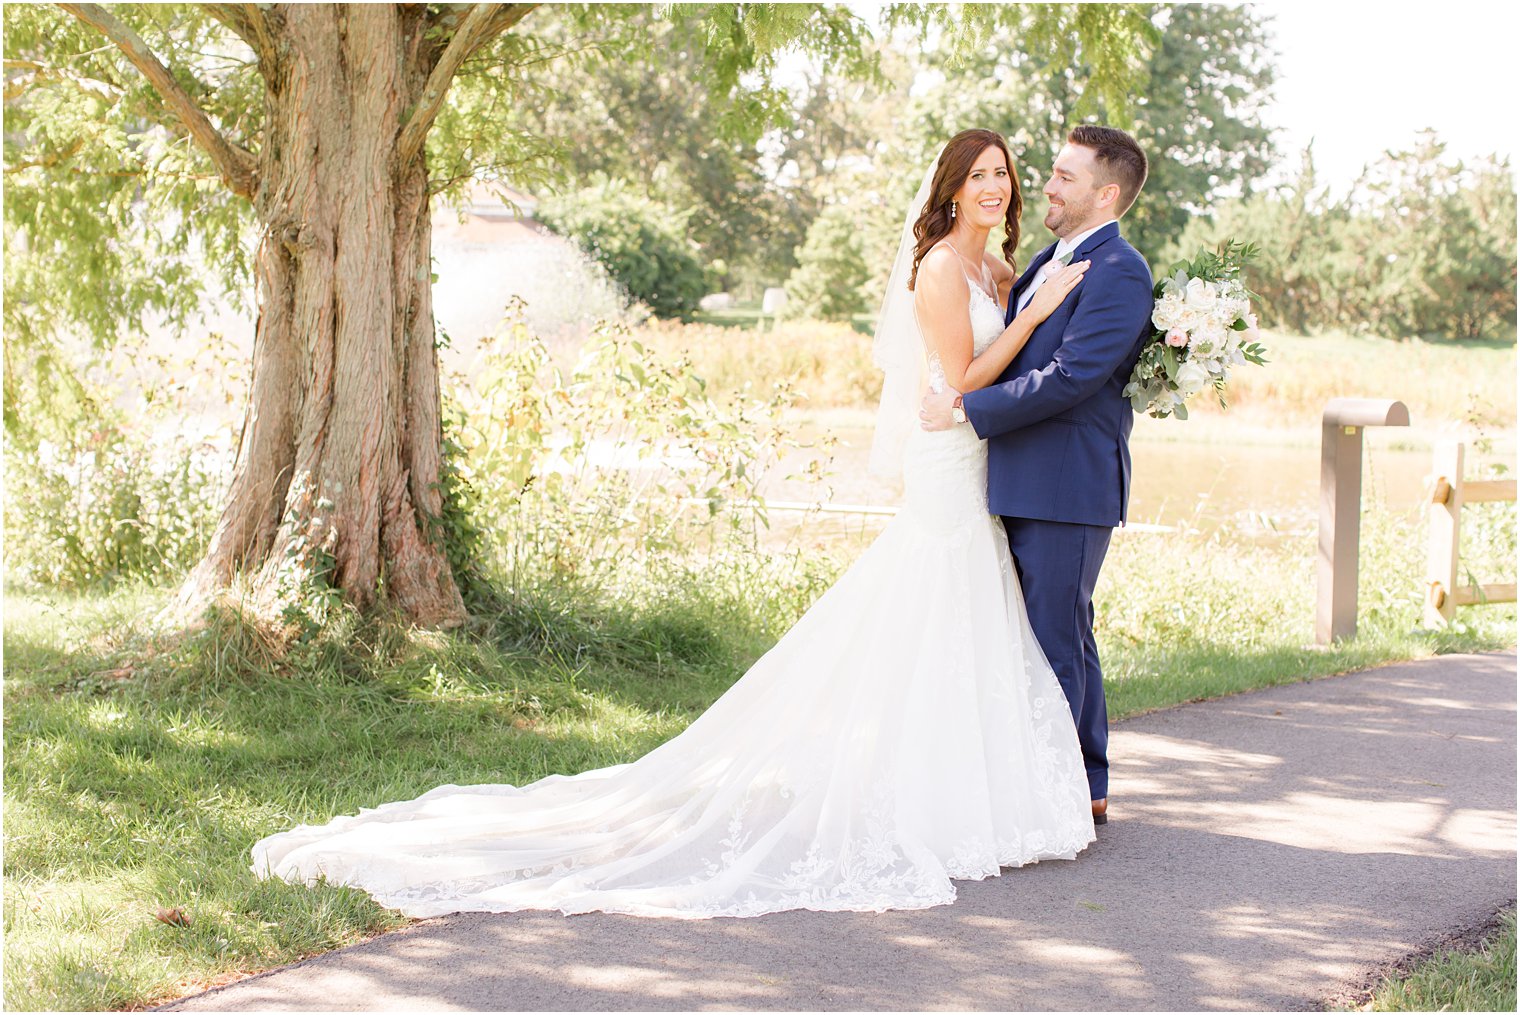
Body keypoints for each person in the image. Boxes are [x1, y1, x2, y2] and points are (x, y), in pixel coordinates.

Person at [251, 129, 1095, 920]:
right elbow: (956, 380)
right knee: (929, 601)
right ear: (948, 192)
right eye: (977, 175)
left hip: (975, 460)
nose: (996, 186)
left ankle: (951, 787)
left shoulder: (999, 268)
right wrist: (1031, 317)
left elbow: (984, 383)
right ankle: (917, 798)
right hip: (945, 464)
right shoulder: (946, 270)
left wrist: (1028, 305)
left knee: (959, 617)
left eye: (1003, 173)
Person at [919, 125, 1154, 826]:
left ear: (1105, 193)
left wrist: (964, 406)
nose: (1043, 186)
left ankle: (1071, 789)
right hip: (1012, 477)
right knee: (1047, 635)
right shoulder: (1044, 260)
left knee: (1057, 637)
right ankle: (1078, 782)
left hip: (1067, 485)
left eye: (1064, 177)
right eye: (1048, 173)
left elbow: (1072, 378)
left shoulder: (1119, 270)